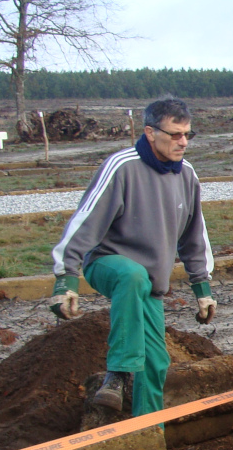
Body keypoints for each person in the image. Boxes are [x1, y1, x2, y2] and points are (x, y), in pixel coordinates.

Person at [49, 97, 216, 415]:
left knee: (156, 362)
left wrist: (202, 289)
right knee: (132, 274)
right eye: (175, 135)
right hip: (107, 263)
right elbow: (84, 222)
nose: (183, 142)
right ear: (151, 133)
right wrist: (66, 279)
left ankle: (148, 436)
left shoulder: (187, 176)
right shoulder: (122, 167)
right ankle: (117, 374)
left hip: (149, 283)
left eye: (187, 135)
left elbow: (195, 237)